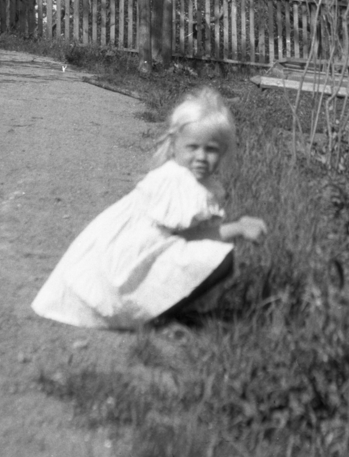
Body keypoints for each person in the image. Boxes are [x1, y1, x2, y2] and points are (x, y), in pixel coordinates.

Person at [31, 87, 267, 329]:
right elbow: (189, 237)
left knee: (216, 252)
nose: (201, 157)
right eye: (192, 147)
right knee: (221, 256)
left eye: (211, 150)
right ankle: (157, 315)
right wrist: (238, 228)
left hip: (143, 256)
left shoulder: (196, 182)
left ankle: (170, 308)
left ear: (224, 151)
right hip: (127, 265)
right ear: (175, 144)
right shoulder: (174, 181)